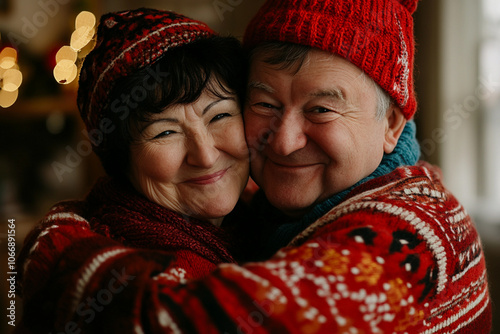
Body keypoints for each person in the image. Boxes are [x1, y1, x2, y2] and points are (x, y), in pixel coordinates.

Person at [16, 1, 492, 333]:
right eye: (264, 103)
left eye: (321, 110)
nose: (283, 141)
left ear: (391, 123)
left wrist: (54, 251)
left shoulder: (409, 232)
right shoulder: (273, 215)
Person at [14, 8, 252, 333]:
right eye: (165, 132)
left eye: (220, 116)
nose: (206, 155)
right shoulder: (89, 261)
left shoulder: (266, 219)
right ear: (121, 160)